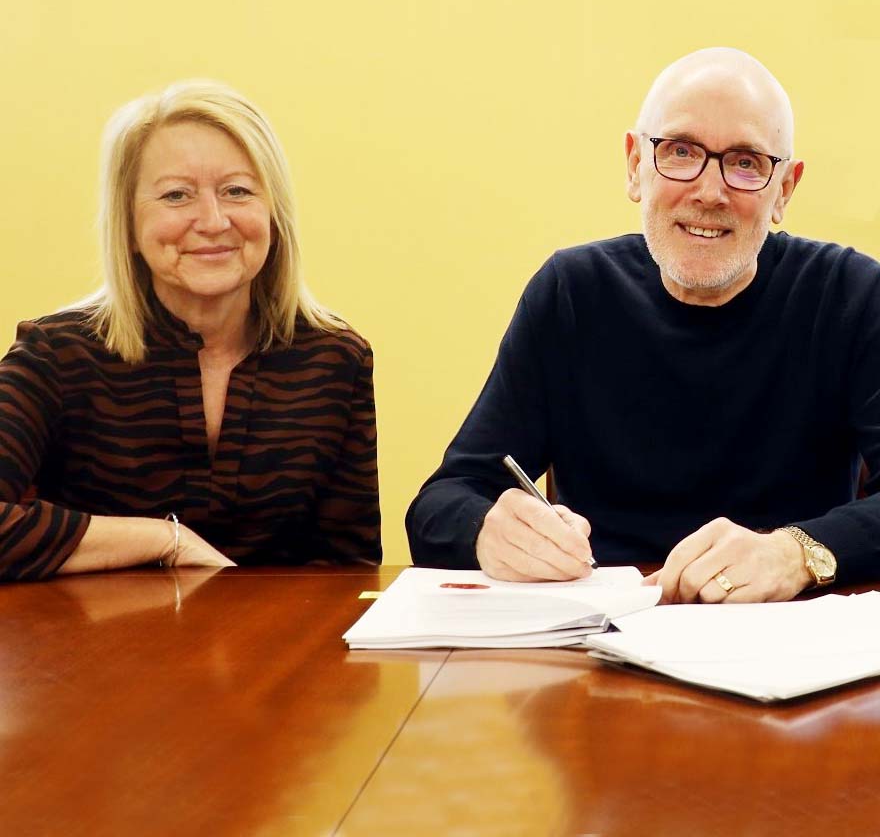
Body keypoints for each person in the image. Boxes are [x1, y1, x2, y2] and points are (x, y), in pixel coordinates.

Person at [407, 47, 880, 604]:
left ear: (785, 191)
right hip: (608, 637)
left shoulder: (850, 294)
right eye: (680, 152)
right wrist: (490, 530)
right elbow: (442, 501)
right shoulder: (572, 293)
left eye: (746, 162)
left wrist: (796, 552)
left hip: (791, 642)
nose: (710, 191)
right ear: (635, 166)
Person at [0, 80, 380, 580]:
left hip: (270, 653)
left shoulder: (335, 359)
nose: (213, 220)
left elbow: (346, 573)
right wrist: (164, 540)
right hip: (97, 652)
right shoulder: (55, 354)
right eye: (176, 195)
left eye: (237, 191)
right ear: (129, 225)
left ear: (274, 213)